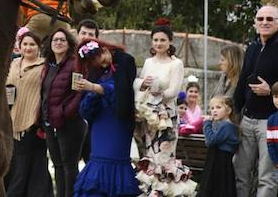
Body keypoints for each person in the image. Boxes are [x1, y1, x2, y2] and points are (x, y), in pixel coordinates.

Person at [133, 18, 195, 196]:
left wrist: (155, 88)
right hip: (149, 117)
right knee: (149, 158)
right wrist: (143, 84)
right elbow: (141, 87)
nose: (159, 43)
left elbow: (173, 92)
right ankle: (150, 192)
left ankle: (164, 193)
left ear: (170, 42)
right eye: (156, 40)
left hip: (167, 118)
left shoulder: (176, 64)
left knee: (164, 159)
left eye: (163, 40)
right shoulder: (148, 62)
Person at [72, 39, 140, 197]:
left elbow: (123, 91)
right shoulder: (95, 70)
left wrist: (94, 87)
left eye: (100, 60)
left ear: (104, 49)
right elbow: (85, 107)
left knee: (115, 162)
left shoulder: (126, 61)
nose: (101, 65)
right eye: (95, 63)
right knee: (97, 162)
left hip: (118, 121)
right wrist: (90, 93)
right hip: (100, 123)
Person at [234, 4, 278, 197]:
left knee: (267, 177)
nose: (264, 22)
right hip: (247, 119)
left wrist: (271, 91)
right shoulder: (252, 48)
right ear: (255, 23)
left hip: (271, 122)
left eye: (270, 19)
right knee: (240, 173)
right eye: (260, 19)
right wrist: (233, 111)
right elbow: (242, 80)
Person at [4, 31, 52, 197]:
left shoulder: (45, 66)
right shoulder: (13, 63)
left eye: (32, 44)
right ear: (19, 46)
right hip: (10, 121)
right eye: (25, 44)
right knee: (14, 164)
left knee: (29, 165)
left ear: (39, 47)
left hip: (33, 123)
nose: (28, 47)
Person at [40, 28, 84, 197]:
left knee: (69, 165)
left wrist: (65, 113)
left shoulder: (75, 64)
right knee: (57, 165)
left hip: (70, 123)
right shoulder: (49, 66)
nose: (58, 43)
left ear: (69, 44)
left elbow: (79, 93)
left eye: (62, 40)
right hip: (50, 123)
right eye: (55, 40)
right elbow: (44, 94)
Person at [198, 95, 238, 197]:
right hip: (216, 159)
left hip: (220, 161)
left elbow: (211, 141)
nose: (214, 111)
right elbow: (209, 141)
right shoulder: (220, 124)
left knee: (218, 188)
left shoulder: (226, 126)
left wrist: (207, 124)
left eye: (218, 107)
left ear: (228, 110)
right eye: (212, 108)